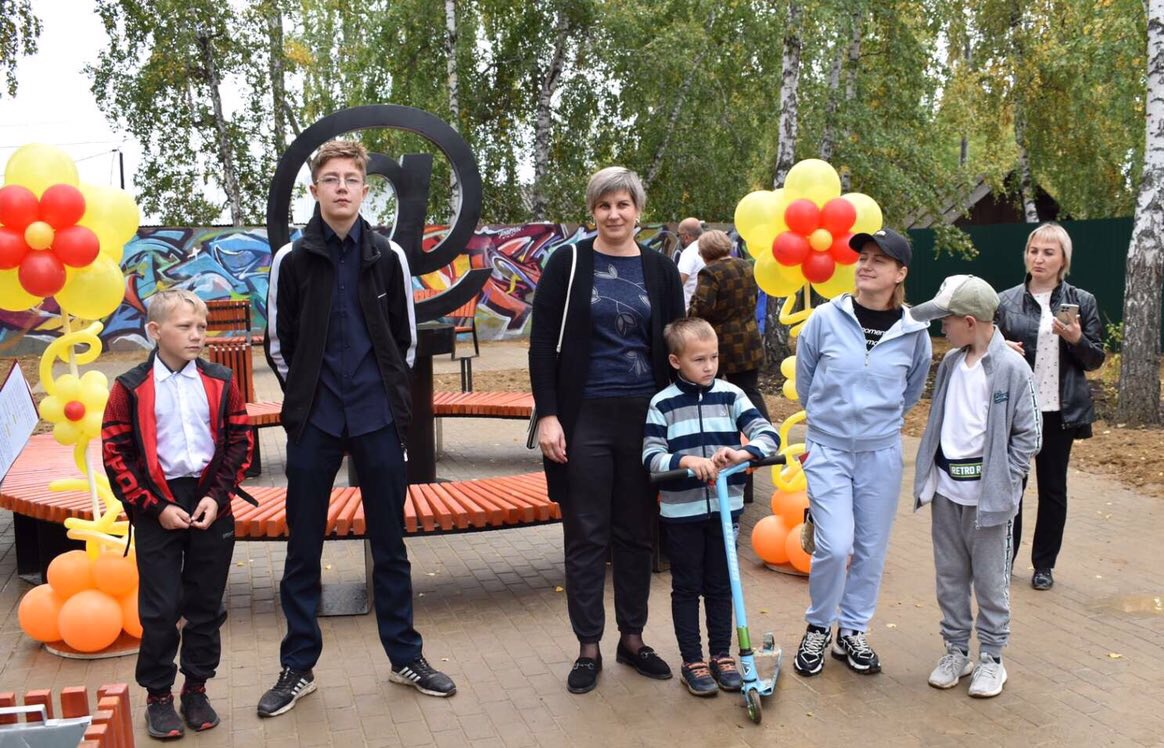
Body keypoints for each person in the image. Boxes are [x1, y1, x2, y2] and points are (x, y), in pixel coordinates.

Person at [260, 139, 454, 717]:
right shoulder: (292, 259)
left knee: (390, 545)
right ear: (315, 189)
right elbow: (278, 342)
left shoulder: (387, 255)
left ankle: (405, 657)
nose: (341, 187)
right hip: (316, 421)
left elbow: (406, 340)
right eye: (331, 179)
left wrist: (389, 398)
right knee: (303, 546)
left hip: (375, 418)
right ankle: (298, 667)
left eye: (351, 179)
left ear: (365, 190)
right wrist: (305, 397)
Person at [529, 166, 685, 694]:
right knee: (586, 534)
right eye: (604, 205)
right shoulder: (568, 262)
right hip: (583, 416)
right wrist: (548, 414)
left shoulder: (660, 270)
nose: (614, 214)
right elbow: (541, 344)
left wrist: (683, 416)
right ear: (592, 211)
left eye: (623, 204)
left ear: (638, 210)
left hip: (645, 418)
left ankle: (632, 639)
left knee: (638, 534)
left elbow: (676, 346)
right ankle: (588, 647)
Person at [102, 289, 253, 739]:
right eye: (185, 326)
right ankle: (158, 695)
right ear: (155, 331)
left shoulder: (221, 380)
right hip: (156, 508)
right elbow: (115, 455)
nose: (196, 335)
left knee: (205, 605)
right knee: (161, 608)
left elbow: (240, 442)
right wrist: (156, 508)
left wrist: (217, 497)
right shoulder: (129, 388)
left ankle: (196, 688)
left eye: (201, 327)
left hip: (210, 502)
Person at [792, 228, 933, 677]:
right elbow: (806, 382)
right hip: (828, 449)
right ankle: (818, 625)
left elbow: (910, 392)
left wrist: (875, 425)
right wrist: (830, 423)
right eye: (863, 257)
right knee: (835, 546)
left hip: (880, 454)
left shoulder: (915, 333)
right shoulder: (825, 319)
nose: (866, 265)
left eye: (879, 260)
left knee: (870, 549)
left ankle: (852, 631)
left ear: (900, 273)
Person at [910, 275, 1041, 698]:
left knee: (990, 582)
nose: (942, 328)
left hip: (989, 502)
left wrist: (1006, 479)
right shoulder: (951, 363)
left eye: (946, 321)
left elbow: (1029, 434)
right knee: (950, 578)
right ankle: (955, 651)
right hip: (947, 494)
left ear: (969, 321)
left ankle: (992, 658)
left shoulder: (1012, 368)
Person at [642, 318, 780, 696]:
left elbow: (768, 434)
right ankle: (693, 660)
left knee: (722, 585)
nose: (709, 366)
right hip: (681, 514)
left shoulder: (731, 396)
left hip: (725, 510)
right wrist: (686, 462)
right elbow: (651, 456)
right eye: (699, 359)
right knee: (687, 587)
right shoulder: (662, 404)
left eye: (714, 357)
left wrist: (742, 453)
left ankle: (721, 655)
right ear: (676, 361)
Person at [996, 222, 1104, 591]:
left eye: (1048, 252)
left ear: (1063, 261)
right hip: (1017, 410)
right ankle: (1003, 560)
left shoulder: (1082, 301)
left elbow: (1095, 360)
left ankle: (1044, 565)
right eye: (1033, 251)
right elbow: (983, 349)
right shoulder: (1005, 301)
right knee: (1011, 488)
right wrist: (998, 347)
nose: (1038, 259)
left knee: (1053, 491)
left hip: (1060, 412)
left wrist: (1077, 339)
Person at [676, 217, 706, 309]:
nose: (678, 238)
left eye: (678, 235)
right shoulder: (708, 248)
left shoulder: (689, 253)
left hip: (690, 309)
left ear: (686, 237)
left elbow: (678, 283)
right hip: (706, 307)